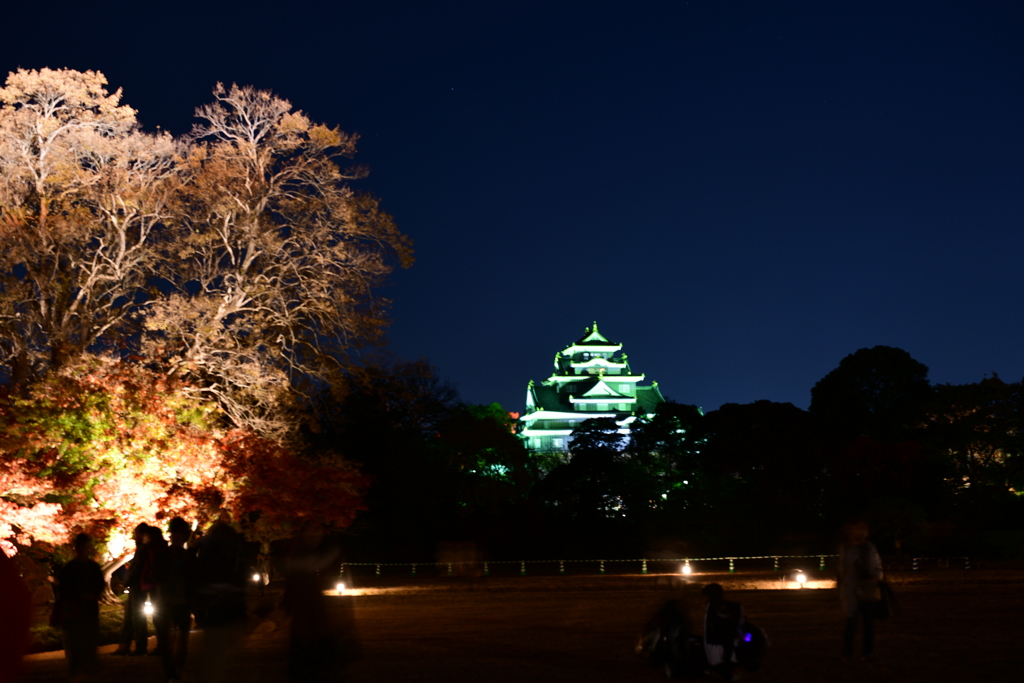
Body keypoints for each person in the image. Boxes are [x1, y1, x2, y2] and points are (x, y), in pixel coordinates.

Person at [56, 533, 106, 682]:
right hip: (78, 610)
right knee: (77, 643)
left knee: (86, 642)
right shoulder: (74, 568)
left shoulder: (87, 567)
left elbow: (99, 585)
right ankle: (79, 670)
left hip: (86, 610)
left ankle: (84, 670)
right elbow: (65, 590)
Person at [838, 520, 883, 661]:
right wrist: (853, 547)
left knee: (869, 624)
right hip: (851, 590)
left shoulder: (870, 547)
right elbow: (844, 566)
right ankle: (848, 653)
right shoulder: (846, 548)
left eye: (864, 529)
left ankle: (867, 653)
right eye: (857, 528)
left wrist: (877, 576)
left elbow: (877, 565)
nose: (861, 532)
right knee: (851, 623)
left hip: (868, 589)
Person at [156, 517, 195, 683]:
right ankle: (171, 672)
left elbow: (194, 577)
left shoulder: (188, 555)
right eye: (175, 534)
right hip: (167, 601)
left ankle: (176, 670)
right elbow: (156, 575)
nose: (177, 537)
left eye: (181, 534)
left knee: (181, 639)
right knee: (168, 640)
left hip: (181, 601)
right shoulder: (163, 555)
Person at [115, 523, 151, 655]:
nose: (134, 535)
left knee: (136, 617)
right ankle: (127, 646)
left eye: (136, 533)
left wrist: (126, 582)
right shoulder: (142, 549)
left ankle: (138, 647)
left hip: (138, 586)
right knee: (131, 616)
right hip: (138, 586)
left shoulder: (143, 549)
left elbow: (136, 569)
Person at [702, 583, 743, 681]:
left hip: (716, 644)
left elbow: (715, 629)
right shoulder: (733, 607)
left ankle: (731, 675)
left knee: (717, 666)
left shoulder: (713, 608)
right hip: (726, 644)